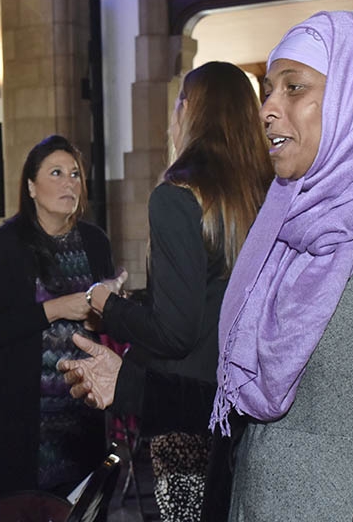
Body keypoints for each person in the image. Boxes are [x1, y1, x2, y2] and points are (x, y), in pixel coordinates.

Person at [61, 11, 353, 521]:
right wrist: (128, 383)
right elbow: (246, 409)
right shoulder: (280, 231)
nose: (267, 108)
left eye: (294, 87)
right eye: (267, 91)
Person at [82, 61, 272, 521]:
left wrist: (106, 304)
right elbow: (210, 297)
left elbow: (175, 332)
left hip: (185, 406)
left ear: (188, 109)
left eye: (175, 106)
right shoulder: (268, 190)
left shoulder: (178, 194)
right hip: (249, 400)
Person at [0, 135, 123, 498]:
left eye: (75, 174)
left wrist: (105, 315)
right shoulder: (7, 245)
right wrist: (56, 308)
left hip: (80, 417)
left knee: (80, 507)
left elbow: (103, 325)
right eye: (56, 173)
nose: (69, 182)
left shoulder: (94, 241)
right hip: (23, 419)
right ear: (31, 186)